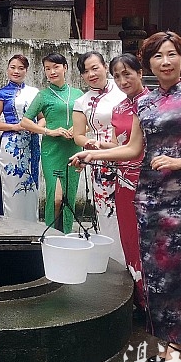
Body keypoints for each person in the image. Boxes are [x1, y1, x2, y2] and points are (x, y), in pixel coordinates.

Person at [70, 31, 181, 362]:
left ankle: (177, 350)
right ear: (149, 64)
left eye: (171, 54)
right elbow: (132, 149)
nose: (165, 62)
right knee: (156, 274)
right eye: (158, 56)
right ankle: (168, 343)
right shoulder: (145, 103)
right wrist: (92, 155)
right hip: (150, 197)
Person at [72, 51, 126, 262]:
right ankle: (115, 259)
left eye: (95, 68)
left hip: (129, 155)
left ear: (105, 66)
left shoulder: (123, 90)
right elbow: (78, 135)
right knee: (106, 210)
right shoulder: (81, 102)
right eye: (86, 71)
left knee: (129, 209)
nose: (91, 74)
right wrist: (90, 145)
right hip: (100, 160)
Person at [20, 53, 83, 233]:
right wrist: (49, 131)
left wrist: (78, 129)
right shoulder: (43, 95)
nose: (52, 71)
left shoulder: (78, 94)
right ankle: (51, 235)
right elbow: (25, 121)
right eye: (48, 68)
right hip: (51, 151)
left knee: (68, 197)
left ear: (65, 68)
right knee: (56, 198)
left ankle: (66, 235)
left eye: (56, 67)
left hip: (73, 150)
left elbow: (88, 120)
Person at [109, 53, 150, 312]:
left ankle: (154, 300)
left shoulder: (154, 103)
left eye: (127, 74)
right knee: (129, 237)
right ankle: (138, 298)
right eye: (117, 76)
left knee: (149, 240)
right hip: (123, 180)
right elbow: (119, 146)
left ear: (140, 72)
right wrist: (96, 149)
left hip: (150, 180)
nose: (123, 81)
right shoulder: (118, 109)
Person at [0, 54, 43, 220]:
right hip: (11, 147)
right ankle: (11, 226)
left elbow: (42, 118)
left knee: (31, 186)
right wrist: (14, 127)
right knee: (12, 187)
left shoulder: (34, 93)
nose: (16, 71)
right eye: (13, 67)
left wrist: (37, 128)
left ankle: (31, 225)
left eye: (21, 68)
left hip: (32, 144)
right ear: (7, 69)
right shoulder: (2, 93)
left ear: (26, 71)